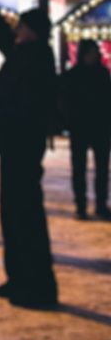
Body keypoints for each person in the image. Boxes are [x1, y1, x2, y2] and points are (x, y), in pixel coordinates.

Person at [0, 0, 59, 309]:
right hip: (13, 147)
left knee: (26, 216)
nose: (16, 30)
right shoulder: (24, 53)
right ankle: (19, 279)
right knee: (13, 215)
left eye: (21, 26)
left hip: (23, 147)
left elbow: (25, 109)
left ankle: (38, 288)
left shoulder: (37, 60)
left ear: (32, 31)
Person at [59, 39, 111, 220]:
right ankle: (82, 205)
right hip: (83, 127)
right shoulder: (77, 76)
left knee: (101, 169)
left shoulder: (100, 74)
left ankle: (99, 204)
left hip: (97, 127)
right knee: (81, 168)